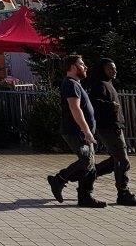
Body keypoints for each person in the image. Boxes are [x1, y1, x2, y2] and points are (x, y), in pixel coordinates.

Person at [48, 54, 105, 208]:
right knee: (86, 161)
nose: (85, 66)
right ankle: (59, 179)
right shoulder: (71, 84)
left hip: (80, 131)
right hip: (75, 131)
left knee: (90, 165)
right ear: (73, 67)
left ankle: (85, 196)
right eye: (81, 63)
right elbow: (75, 108)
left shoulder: (75, 83)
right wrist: (86, 130)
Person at [87, 58, 136, 206]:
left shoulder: (108, 83)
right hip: (108, 127)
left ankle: (86, 176)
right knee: (122, 160)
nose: (114, 71)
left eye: (115, 68)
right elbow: (93, 103)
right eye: (110, 68)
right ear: (103, 69)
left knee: (115, 160)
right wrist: (110, 105)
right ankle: (123, 193)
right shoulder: (99, 84)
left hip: (115, 126)